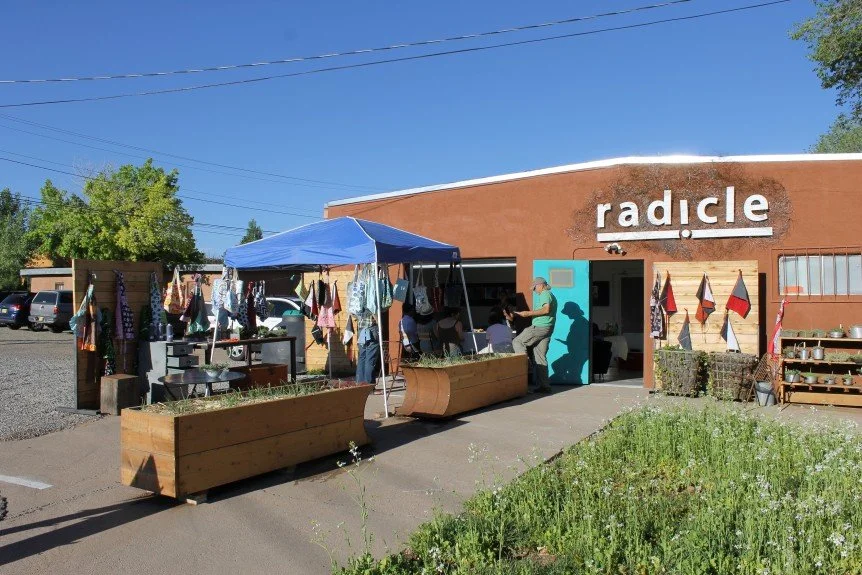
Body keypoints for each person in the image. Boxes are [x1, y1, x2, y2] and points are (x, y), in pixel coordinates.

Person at [505, 277, 557, 392]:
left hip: (540, 327)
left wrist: (527, 313)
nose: (534, 290)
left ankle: (525, 365)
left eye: (534, 287)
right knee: (540, 357)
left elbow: (545, 310)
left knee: (517, 341)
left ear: (541, 285)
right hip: (548, 328)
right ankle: (545, 386)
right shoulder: (550, 294)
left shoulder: (545, 293)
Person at [355, 310, 380, 385]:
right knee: (370, 358)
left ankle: (360, 383)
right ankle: (369, 386)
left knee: (362, 357)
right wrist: (378, 323)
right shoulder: (370, 298)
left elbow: (353, 313)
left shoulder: (357, 298)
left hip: (361, 328)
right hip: (371, 328)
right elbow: (373, 309)